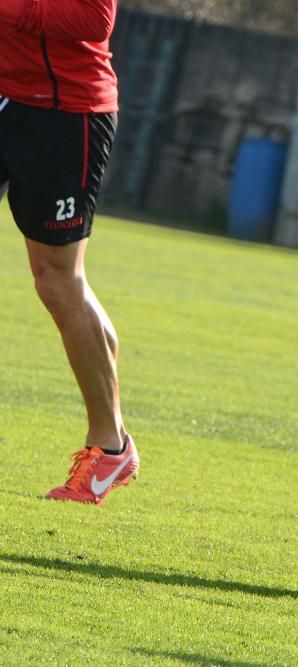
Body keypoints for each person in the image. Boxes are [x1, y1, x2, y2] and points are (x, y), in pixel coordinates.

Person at [1, 0, 137, 505]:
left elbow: (92, 19)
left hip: (65, 113)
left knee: (57, 280)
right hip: (6, 96)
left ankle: (110, 446)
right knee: (60, 281)